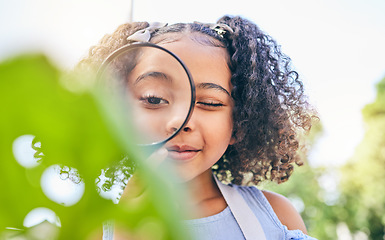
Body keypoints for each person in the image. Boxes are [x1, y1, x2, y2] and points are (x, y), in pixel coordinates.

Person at [78, 15, 318, 240]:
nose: (181, 122)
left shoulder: (275, 217)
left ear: (239, 123)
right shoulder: (93, 225)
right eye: (154, 98)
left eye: (210, 103)